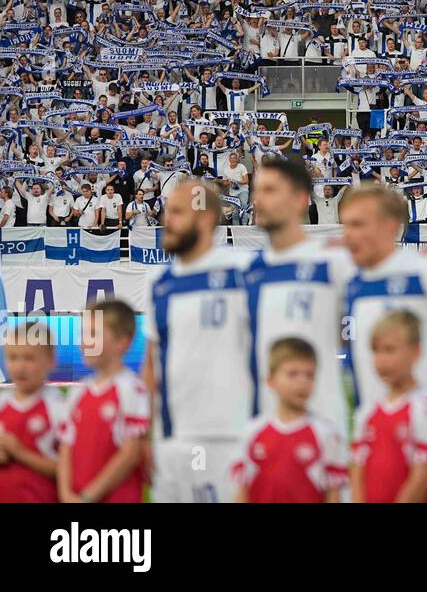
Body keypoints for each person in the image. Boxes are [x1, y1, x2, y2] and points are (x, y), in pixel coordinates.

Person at [143, 177, 253, 503]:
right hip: (172, 437)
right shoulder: (158, 282)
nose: (166, 220)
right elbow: (151, 366)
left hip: (230, 436)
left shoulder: (243, 272)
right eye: (167, 211)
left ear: (205, 218)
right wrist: (146, 436)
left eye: (177, 212)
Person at [339, 183, 427, 421]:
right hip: (372, 434)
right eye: (346, 225)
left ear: (390, 225)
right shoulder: (346, 280)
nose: (348, 234)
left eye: (358, 224)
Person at [244, 156, 352, 433]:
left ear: (300, 199)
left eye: (269, 190)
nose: (258, 199)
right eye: (257, 190)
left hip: (323, 427)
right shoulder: (247, 271)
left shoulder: (334, 263)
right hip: (262, 429)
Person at [232, 337, 347, 503]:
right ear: (270, 380)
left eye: (309, 375)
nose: (303, 382)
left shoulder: (326, 433)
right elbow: (242, 493)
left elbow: (333, 495)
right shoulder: (252, 432)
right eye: (293, 374)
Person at [350, 311, 427, 503]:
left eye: (389, 350)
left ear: (415, 352)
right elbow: (357, 469)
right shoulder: (367, 410)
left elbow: (423, 474)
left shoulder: (425, 407)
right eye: (376, 351)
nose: (381, 360)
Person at [57, 299, 149, 503]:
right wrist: (65, 493)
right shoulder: (77, 394)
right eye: (83, 334)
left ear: (121, 342)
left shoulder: (131, 389)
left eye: (93, 335)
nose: (83, 342)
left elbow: (130, 453)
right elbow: (66, 448)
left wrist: (89, 496)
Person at [0, 321, 64, 502]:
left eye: (29, 358)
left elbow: (70, 470)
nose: (20, 367)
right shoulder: (2, 405)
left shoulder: (58, 407)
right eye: (13, 358)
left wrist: (20, 453)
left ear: (50, 360)